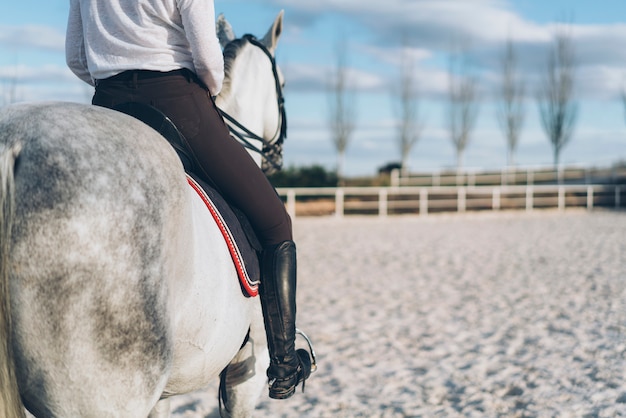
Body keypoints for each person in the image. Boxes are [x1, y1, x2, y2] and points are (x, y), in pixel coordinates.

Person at [66, 0, 312, 400]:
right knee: (275, 223)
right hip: (175, 101)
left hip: (107, 104)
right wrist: (204, 94)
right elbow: (209, 61)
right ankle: (284, 364)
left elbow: (77, 57)